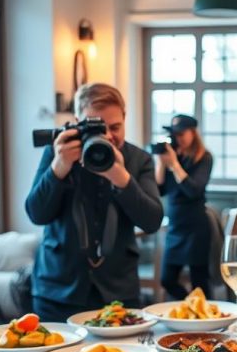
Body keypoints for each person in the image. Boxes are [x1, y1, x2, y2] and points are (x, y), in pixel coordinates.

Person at [25, 83, 164, 321]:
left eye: (115, 127)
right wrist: (59, 168)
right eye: (98, 126)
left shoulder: (139, 160)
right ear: (78, 121)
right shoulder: (57, 152)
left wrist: (120, 178)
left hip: (119, 292)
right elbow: (37, 214)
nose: (108, 136)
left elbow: (152, 221)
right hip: (57, 291)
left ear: (124, 119)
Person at [154, 114, 215, 300]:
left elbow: (193, 190)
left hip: (196, 229)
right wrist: (161, 163)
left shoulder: (204, 158)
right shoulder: (172, 155)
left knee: (200, 282)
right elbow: (159, 189)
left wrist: (174, 164)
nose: (177, 138)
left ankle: (205, 318)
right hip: (175, 228)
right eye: (175, 134)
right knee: (167, 280)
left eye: (181, 134)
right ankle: (190, 306)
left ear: (193, 133)